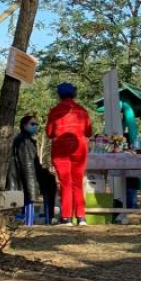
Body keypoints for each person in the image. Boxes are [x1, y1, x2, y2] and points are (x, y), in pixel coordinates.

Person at [45, 82, 92, 226]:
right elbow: (89, 132)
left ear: (59, 95)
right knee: (78, 182)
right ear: (74, 94)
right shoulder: (82, 111)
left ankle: (66, 217)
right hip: (79, 149)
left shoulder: (54, 111)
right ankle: (81, 217)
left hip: (60, 150)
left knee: (65, 182)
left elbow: (49, 133)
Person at [9, 114, 55, 226]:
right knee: (50, 181)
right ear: (24, 125)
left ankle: (49, 215)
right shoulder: (25, 141)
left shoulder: (25, 139)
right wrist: (32, 190)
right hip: (25, 179)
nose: (36, 126)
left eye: (37, 124)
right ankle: (49, 216)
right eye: (32, 124)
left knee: (49, 177)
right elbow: (28, 167)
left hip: (23, 177)